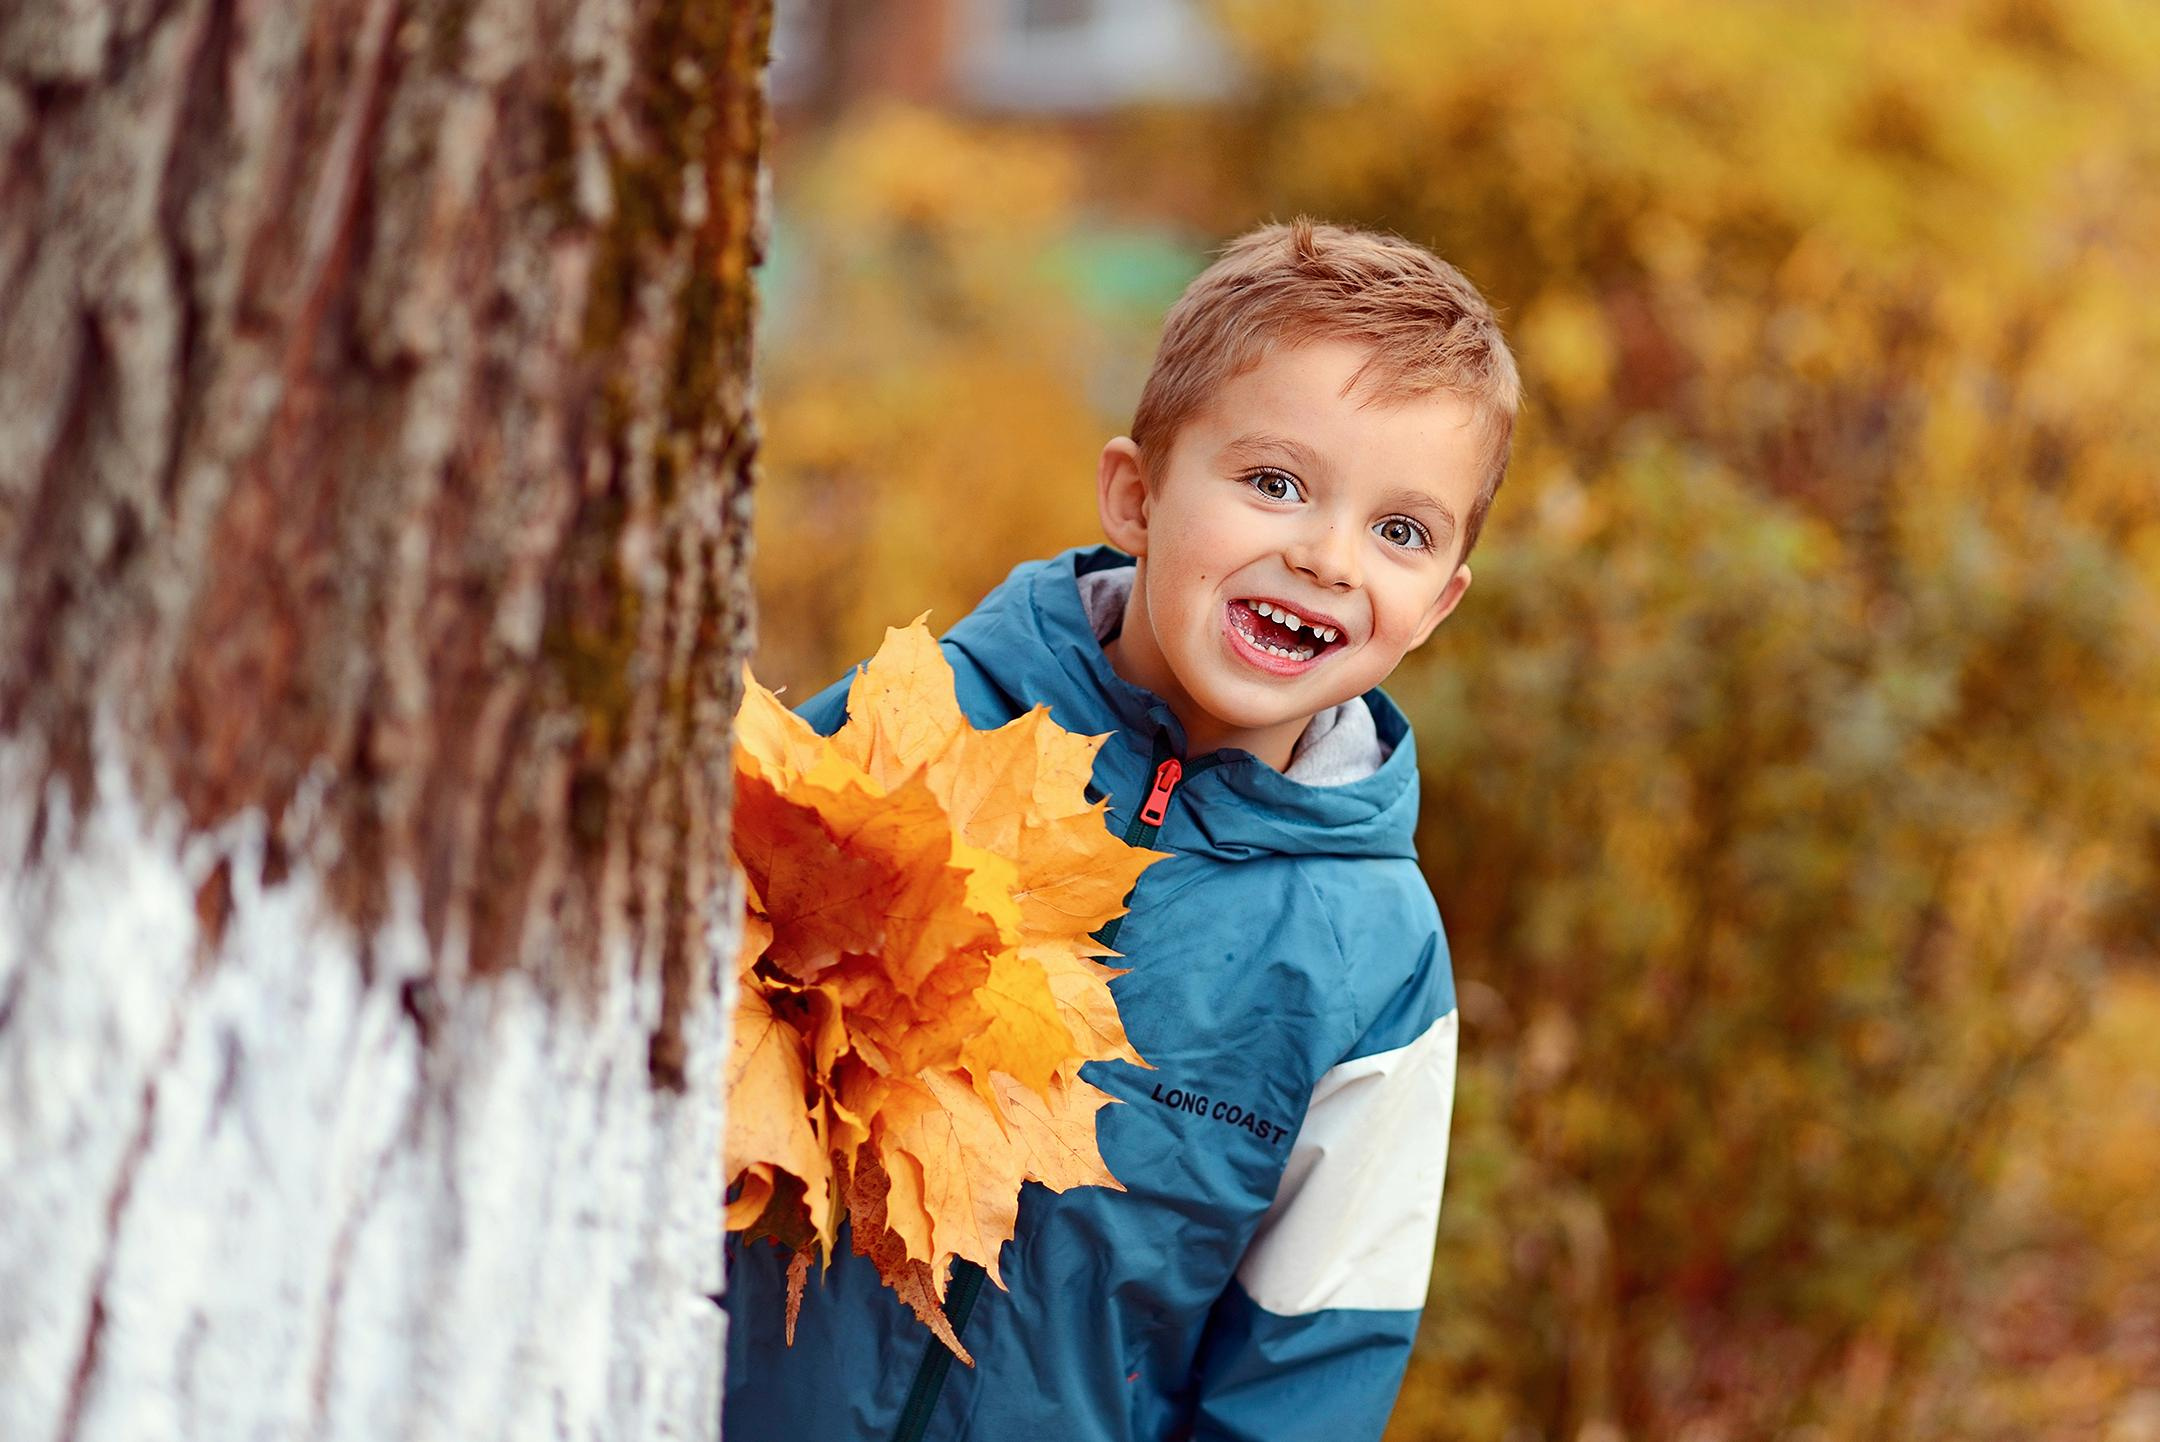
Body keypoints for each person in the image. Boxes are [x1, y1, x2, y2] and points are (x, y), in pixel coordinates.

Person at [725, 217, 1522, 1442]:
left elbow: (1312, 1357)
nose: (1324, 554)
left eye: (1400, 530)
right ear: (1137, 496)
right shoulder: (908, 724)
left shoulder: (1373, 955)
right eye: (1275, 482)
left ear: (1442, 601)